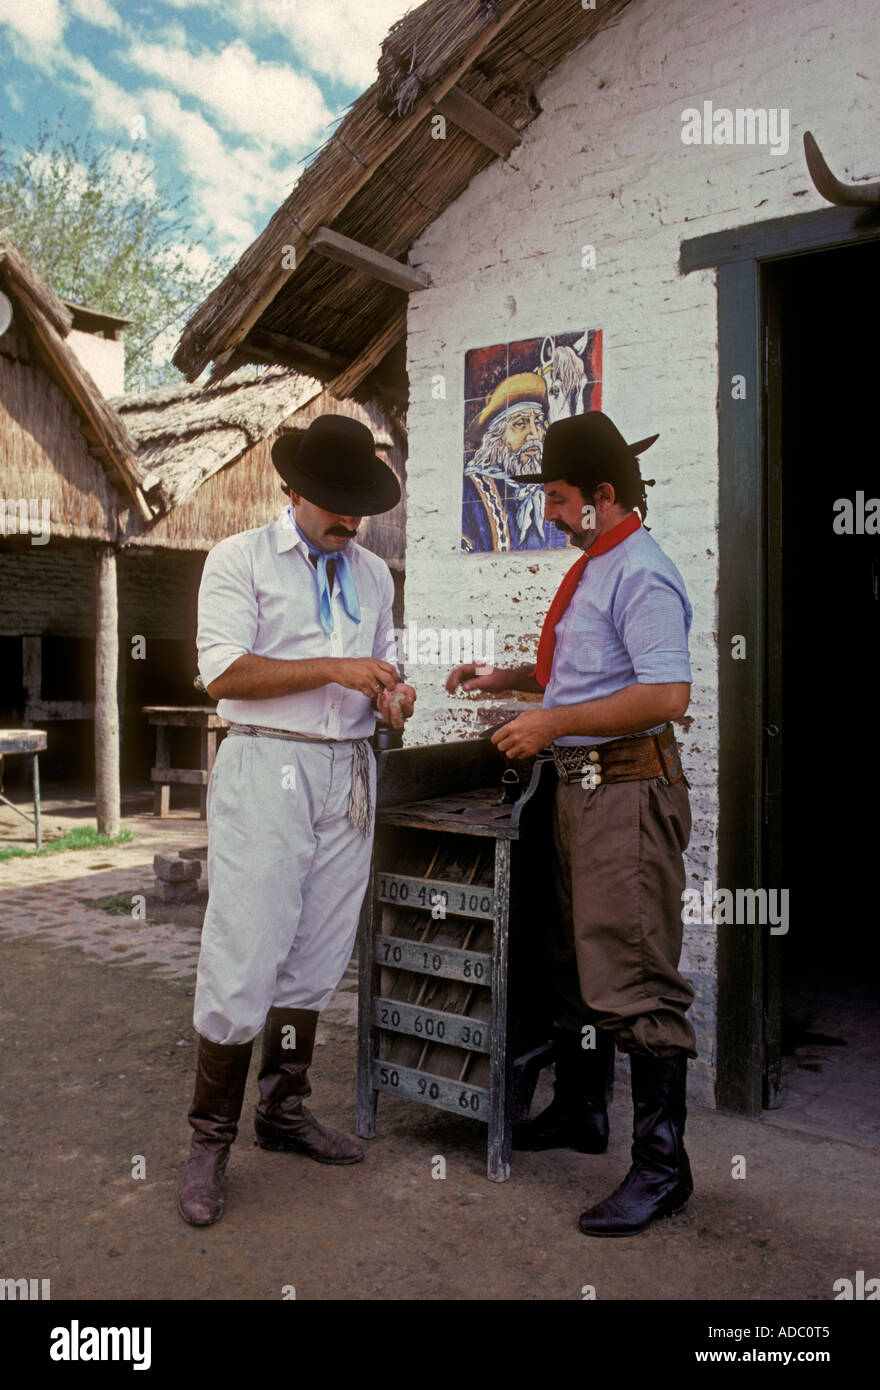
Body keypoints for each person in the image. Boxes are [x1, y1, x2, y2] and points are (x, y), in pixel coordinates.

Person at [447, 410, 696, 1237]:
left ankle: (664, 1170)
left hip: (626, 794)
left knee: (632, 977)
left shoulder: (643, 572)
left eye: (556, 498)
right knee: (574, 963)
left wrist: (549, 725)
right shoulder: (596, 564)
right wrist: (506, 678)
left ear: (603, 495)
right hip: (581, 792)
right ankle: (582, 1113)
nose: (547, 512)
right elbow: (586, 675)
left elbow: (665, 696)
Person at [178, 414, 415, 1227]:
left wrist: (391, 693)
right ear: (294, 490)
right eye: (334, 504)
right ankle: (209, 1139)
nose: (348, 520)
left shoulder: (375, 576)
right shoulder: (238, 559)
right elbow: (223, 673)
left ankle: (281, 1112)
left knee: (317, 949)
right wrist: (334, 667)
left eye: (359, 506)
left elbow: (383, 668)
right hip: (265, 762)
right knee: (246, 946)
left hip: (346, 772)